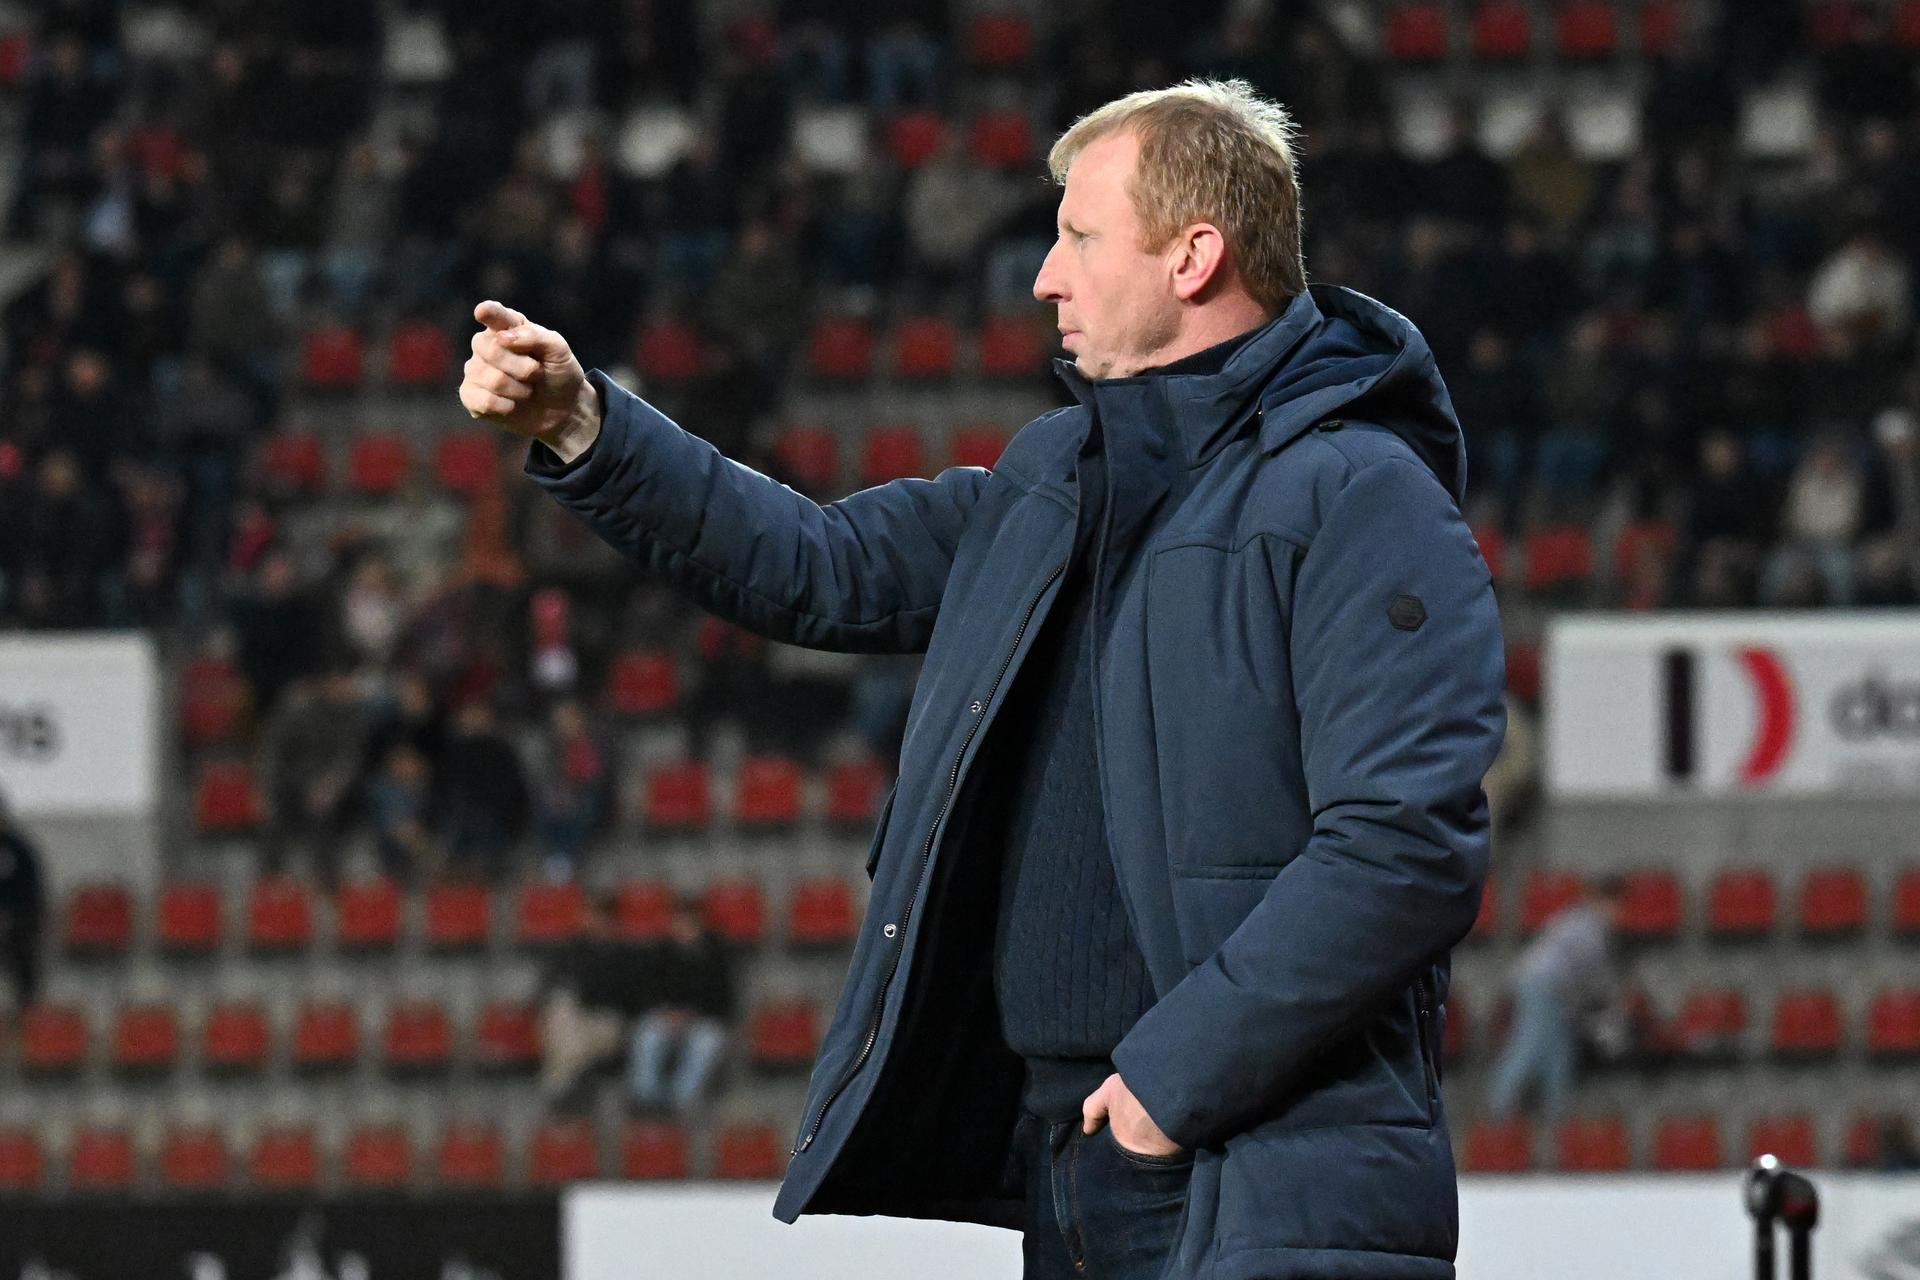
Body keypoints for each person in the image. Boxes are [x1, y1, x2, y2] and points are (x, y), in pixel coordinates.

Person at [463, 77, 1505, 1280]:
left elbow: (1404, 847)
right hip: (1081, 1164)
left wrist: (1169, 1088)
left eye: (1077, 235)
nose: (1044, 278)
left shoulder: (1362, 495)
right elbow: (820, 564)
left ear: (1194, 256)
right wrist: (589, 423)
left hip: (1256, 1177)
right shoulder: (1056, 480)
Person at [1485, 877, 1628, 1127]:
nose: (1619, 913)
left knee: (1559, 1055)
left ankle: (1557, 1121)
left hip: (1551, 989)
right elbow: (1593, 974)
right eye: (1616, 906)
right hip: (1540, 985)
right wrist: (1612, 1001)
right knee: (1529, 1045)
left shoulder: (1581, 920)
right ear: (1605, 902)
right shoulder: (1587, 924)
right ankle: (1498, 1114)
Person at [538, 892, 657, 1110]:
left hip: (609, 1022)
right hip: (575, 1021)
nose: (588, 920)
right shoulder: (570, 949)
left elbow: (631, 999)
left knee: (566, 1037)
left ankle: (559, 1090)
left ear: (608, 919)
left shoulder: (625, 954)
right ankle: (565, 1086)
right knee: (561, 1011)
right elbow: (548, 988)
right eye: (587, 914)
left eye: (594, 915)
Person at [627, 895, 737, 1117]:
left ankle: (682, 1100)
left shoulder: (716, 954)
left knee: (708, 1042)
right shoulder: (660, 952)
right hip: (666, 1017)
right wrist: (667, 1013)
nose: (683, 927)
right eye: (679, 921)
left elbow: (724, 1000)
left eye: (689, 922)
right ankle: (647, 1099)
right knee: (647, 1035)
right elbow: (647, 994)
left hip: (703, 1020)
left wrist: (692, 1015)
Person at [0, 788, 45, 1012]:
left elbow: (30, 894)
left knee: (21, 952)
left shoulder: (17, 849)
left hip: (20, 918)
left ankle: (26, 1009)